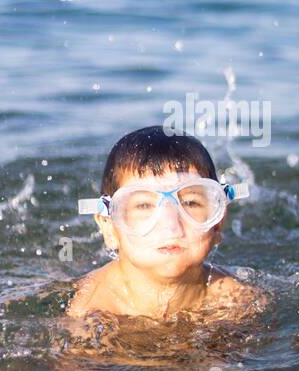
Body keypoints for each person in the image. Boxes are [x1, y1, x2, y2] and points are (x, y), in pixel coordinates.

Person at [67, 125, 266, 322]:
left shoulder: (237, 300)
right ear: (110, 228)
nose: (171, 226)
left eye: (190, 203)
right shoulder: (92, 307)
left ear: (217, 224)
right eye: (144, 205)